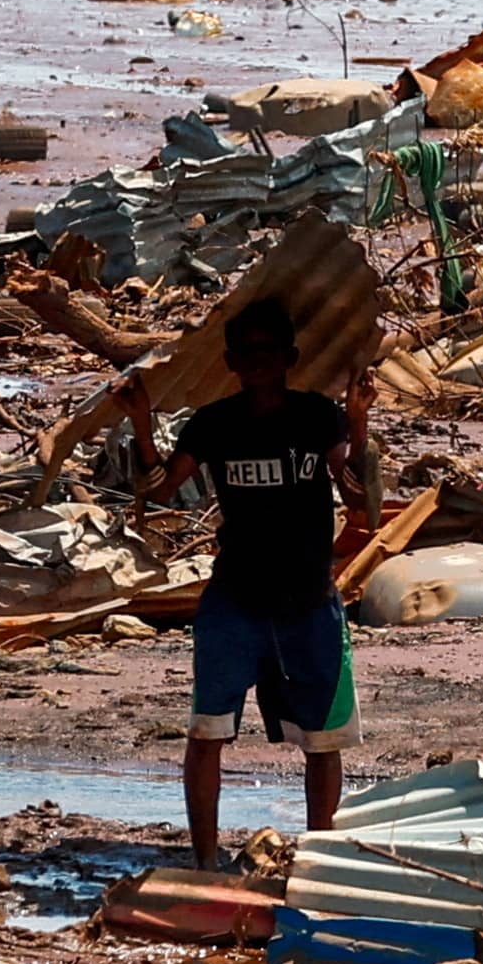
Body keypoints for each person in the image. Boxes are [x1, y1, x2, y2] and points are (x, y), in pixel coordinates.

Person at [121, 298, 369, 862]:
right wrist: (140, 422)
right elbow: (160, 490)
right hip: (235, 600)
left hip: (308, 602)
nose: (257, 362)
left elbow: (358, 496)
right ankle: (205, 860)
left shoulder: (317, 418)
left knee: (323, 740)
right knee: (208, 731)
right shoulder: (214, 424)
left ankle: (319, 859)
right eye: (246, 353)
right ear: (231, 361)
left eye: (268, 351)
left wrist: (358, 418)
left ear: (290, 356)